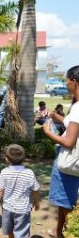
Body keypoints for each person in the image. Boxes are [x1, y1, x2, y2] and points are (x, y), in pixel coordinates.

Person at [43, 65, 79, 238]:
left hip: (68, 165)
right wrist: (58, 118)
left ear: (75, 82)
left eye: (67, 80)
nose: (65, 83)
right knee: (63, 202)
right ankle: (59, 232)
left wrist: (48, 132)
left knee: (66, 203)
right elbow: (73, 126)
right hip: (71, 164)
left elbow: (69, 141)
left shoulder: (78, 108)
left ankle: (67, 233)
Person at [0, 144, 40, 238]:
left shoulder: (4, 172)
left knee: (9, 230)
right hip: (23, 209)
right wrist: (36, 201)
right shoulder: (29, 173)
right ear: (24, 158)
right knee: (22, 232)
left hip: (7, 208)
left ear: (7, 159)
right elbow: (35, 189)